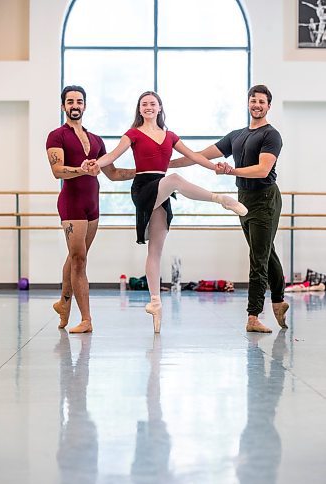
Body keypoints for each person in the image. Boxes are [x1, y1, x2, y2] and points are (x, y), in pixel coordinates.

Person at [83, 90, 248, 334]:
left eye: (153, 103)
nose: (148, 107)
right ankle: (220, 199)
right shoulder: (133, 134)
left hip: (161, 191)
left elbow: (194, 156)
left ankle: (156, 303)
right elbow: (114, 155)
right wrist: (96, 164)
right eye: (144, 104)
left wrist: (218, 168)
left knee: (156, 252)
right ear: (139, 110)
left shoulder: (170, 136)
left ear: (160, 108)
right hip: (143, 188)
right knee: (174, 179)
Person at [169, 85, 289, 333]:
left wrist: (231, 170)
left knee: (258, 257)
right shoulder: (236, 135)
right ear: (248, 103)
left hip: (265, 198)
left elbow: (262, 169)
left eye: (262, 102)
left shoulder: (271, 135)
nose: (257, 105)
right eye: (253, 100)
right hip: (243, 197)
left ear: (268, 106)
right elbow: (200, 155)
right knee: (264, 251)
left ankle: (253, 316)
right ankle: (279, 298)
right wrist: (166, 162)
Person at [46, 85, 135, 334]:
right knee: (79, 260)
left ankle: (63, 304)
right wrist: (81, 170)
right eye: (70, 101)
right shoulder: (57, 136)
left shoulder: (96, 140)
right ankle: (86, 319)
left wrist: (144, 172)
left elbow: (114, 173)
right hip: (71, 203)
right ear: (63, 105)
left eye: (79, 101)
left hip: (92, 204)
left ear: (85, 105)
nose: (75, 105)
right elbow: (57, 171)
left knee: (77, 258)